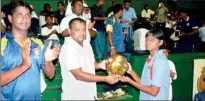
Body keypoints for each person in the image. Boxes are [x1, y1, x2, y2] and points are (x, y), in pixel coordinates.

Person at [1, 1, 60, 100]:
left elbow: (50, 75)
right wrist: (24, 65)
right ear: (10, 18)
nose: (25, 18)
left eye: (28, 15)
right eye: (20, 15)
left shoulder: (38, 43)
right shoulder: (2, 44)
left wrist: (47, 61)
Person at [59, 18, 120, 100]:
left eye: (84, 30)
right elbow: (78, 75)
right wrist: (105, 79)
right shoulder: (68, 48)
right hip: (75, 96)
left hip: (90, 94)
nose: (82, 33)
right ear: (69, 31)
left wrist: (100, 65)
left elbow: (92, 64)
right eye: (77, 30)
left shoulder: (87, 44)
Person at [120, 29, 170, 100]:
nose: (147, 42)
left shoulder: (159, 60)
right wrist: (131, 71)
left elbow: (153, 92)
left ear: (160, 42)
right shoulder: (150, 58)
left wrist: (129, 81)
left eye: (152, 40)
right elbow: (143, 84)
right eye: (146, 39)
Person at [103, 4, 131, 98]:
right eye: (122, 11)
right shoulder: (111, 19)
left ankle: (116, 88)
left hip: (119, 48)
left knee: (118, 69)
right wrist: (112, 47)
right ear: (119, 11)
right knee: (111, 70)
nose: (122, 12)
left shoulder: (117, 21)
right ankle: (106, 90)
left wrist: (123, 33)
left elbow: (115, 34)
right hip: (114, 49)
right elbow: (109, 33)